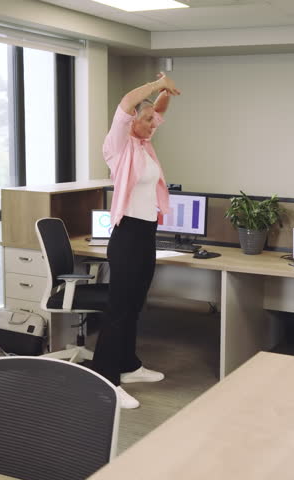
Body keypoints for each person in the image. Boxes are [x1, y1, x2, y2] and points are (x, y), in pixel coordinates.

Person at [97, 72, 181, 409]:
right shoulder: (117, 145)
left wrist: (167, 91)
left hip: (146, 233)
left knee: (134, 305)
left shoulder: (145, 146)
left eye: (152, 120)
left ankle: (128, 365)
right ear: (131, 121)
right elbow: (128, 102)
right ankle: (105, 378)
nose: (153, 124)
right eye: (146, 120)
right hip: (127, 234)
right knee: (118, 309)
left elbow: (158, 109)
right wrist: (156, 85)